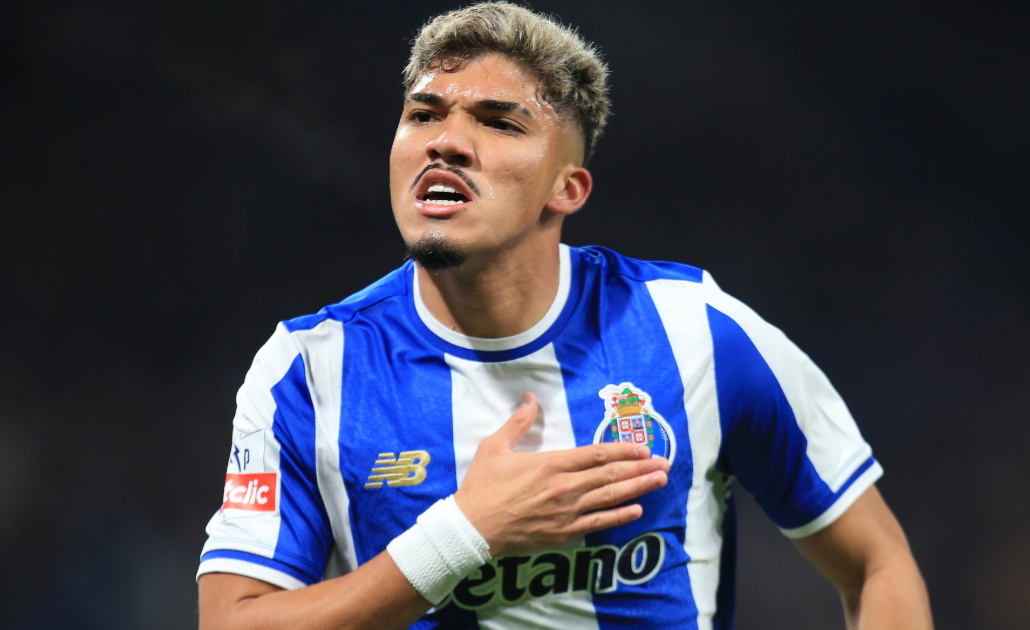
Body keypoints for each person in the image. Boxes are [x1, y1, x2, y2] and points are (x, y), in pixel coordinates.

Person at [196, 3, 933, 629]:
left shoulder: (695, 331)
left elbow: (878, 563)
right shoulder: (310, 369)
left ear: (567, 188)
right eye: (424, 114)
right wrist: (463, 534)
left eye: (498, 122)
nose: (446, 140)